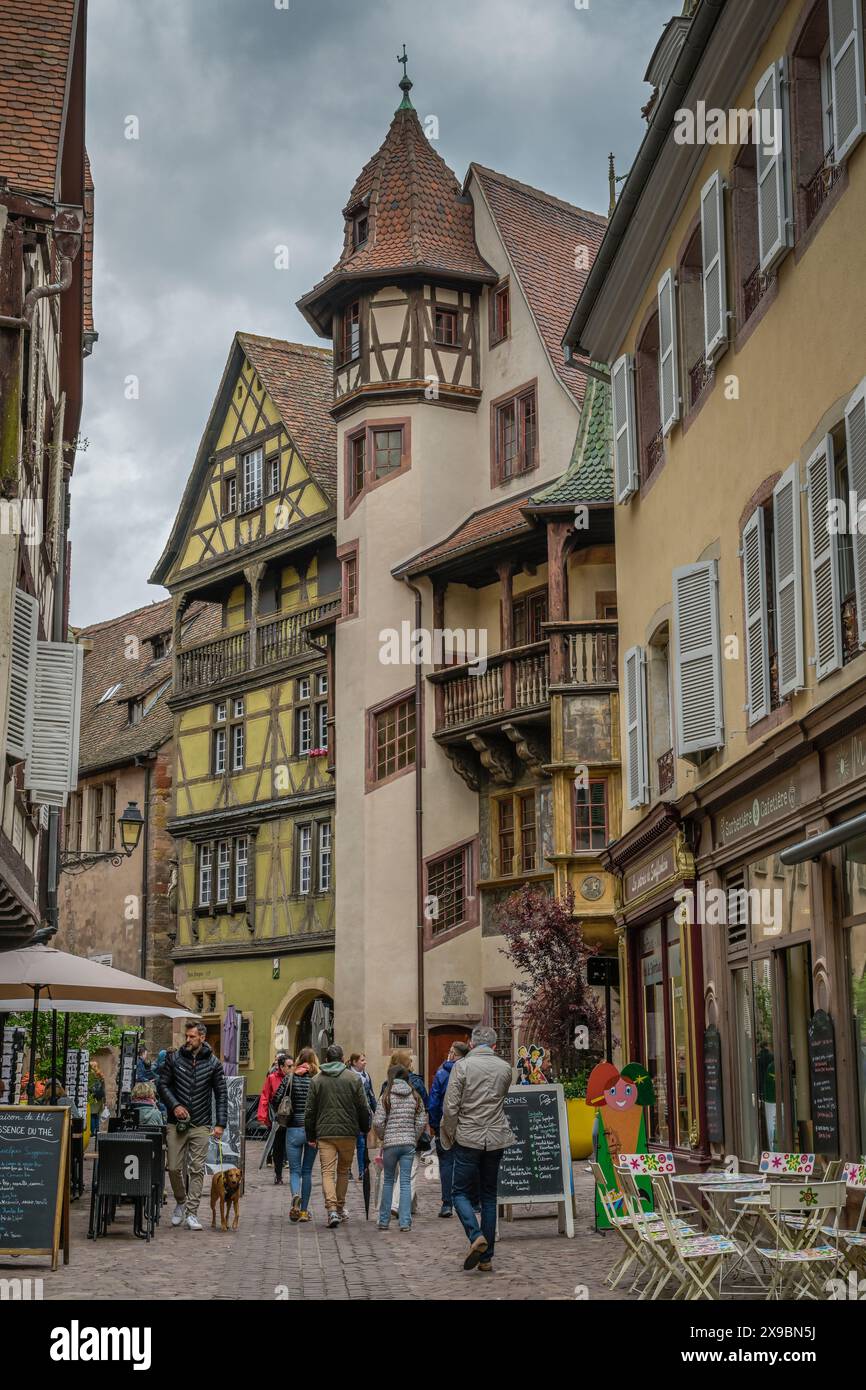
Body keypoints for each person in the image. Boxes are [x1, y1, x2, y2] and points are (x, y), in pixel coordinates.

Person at [440, 1024, 515, 1273]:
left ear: (471, 1045)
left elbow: (451, 1107)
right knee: (489, 1196)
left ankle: (475, 1236)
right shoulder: (506, 1069)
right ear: (494, 1046)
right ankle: (486, 1258)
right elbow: (501, 1098)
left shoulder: (462, 1067)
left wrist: (449, 1135)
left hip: (468, 1137)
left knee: (459, 1192)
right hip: (495, 1138)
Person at [157, 1020, 227, 1232]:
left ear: (202, 1038)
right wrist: (175, 1105)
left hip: (201, 1123)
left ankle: (192, 1213)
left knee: (196, 1169)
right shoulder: (174, 1058)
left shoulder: (214, 1064)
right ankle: (181, 1200)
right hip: (176, 1122)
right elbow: (162, 1084)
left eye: (192, 1036)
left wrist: (220, 1123)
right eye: (186, 1036)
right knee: (174, 1166)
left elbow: (221, 1094)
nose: (187, 1040)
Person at [304, 1043, 370, 1229]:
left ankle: (331, 1209)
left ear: (326, 1060)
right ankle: (339, 1208)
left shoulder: (317, 1080)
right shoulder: (353, 1079)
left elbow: (309, 1111)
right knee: (343, 1171)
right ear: (343, 1060)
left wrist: (310, 1133)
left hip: (325, 1133)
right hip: (348, 1132)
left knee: (327, 1172)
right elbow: (363, 1107)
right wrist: (365, 1127)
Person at [372, 1065, 427, 1232]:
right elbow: (420, 1122)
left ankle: (383, 1220)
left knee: (388, 1181)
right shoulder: (415, 1096)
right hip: (408, 1144)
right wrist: (414, 1137)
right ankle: (404, 1222)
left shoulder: (386, 1097)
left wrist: (383, 1136)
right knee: (404, 1182)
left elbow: (377, 1122)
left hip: (390, 1144)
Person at [428, 1041, 469, 1218]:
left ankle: (447, 1204)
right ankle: (468, 1201)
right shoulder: (470, 1072)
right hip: (467, 1122)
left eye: (451, 1052)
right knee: (467, 1162)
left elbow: (434, 1100)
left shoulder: (442, 1073)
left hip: (445, 1123)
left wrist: (435, 1124)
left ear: (454, 1055)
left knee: (446, 1163)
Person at [284, 1047, 319, 1222]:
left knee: (294, 1171)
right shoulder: (317, 1079)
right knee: (307, 1171)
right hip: (312, 1130)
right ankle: (304, 1211)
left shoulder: (290, 1077)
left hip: (293, 1128)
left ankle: (295, 1196)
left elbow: (277, 1098)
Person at [257, 1054, 292, 1184]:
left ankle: (292, 1173)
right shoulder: (272, 1078)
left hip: (292, 1117)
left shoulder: (295, 1077)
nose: (291, 1068)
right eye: (289, 1066)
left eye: (292, 1065)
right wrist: (262, 1115)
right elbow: (265, 1096)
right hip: (278, 1117)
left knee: (290, 1145)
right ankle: (278, 1175)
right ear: (281, 1067)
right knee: (278, 1146)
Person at [349, 1052, 376, 1179]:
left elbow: (371, 1094)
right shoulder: (348, 1075)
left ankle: (361, 1171)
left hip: (363, 1114)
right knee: (349, 1143)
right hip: (351, 1114)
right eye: (362, 1060)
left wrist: (375, 1110)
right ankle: (348, 1169)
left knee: (361, 1143)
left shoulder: (366, 1076)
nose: (365, 1062)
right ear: (354, 1062)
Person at [89, 1063, 106, 1141]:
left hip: (92, 1097)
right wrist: (104, 1098)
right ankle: (97, 1130)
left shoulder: (90, 1075)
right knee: (97, 1115)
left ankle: (92, 1131)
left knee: (92, 1114)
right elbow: (103, 1087)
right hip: (100, 1097)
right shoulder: (100, 1074)